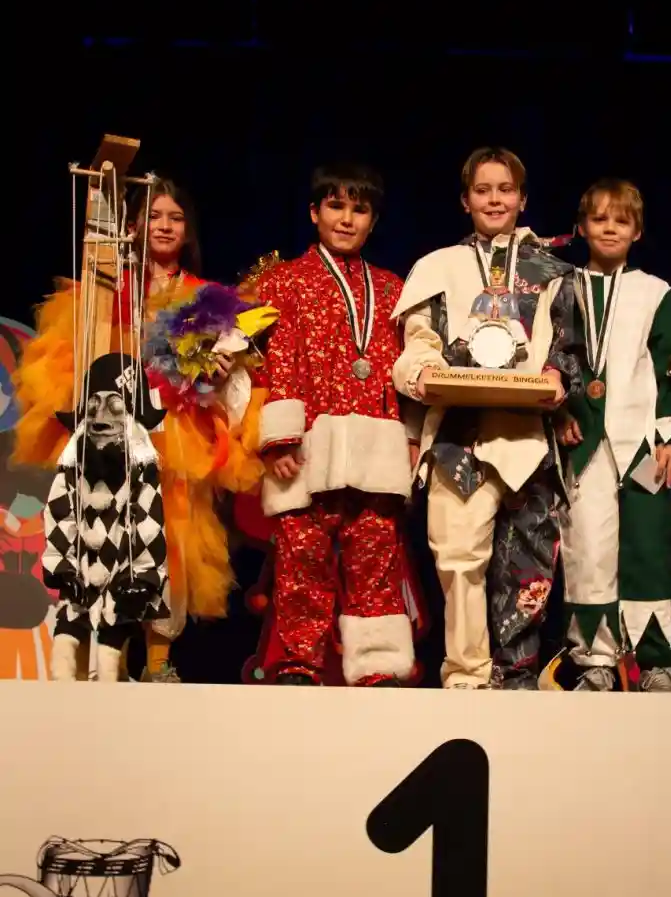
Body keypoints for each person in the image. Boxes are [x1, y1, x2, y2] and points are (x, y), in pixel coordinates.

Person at [13, 177, 264, 681]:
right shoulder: (106, 290)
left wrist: (215, 372)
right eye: (154, 216)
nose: (165, 226)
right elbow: (69, 358)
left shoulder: (205, 297)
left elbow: (230, 376)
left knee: (172, 536)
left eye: (175, 217)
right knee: (106, 533)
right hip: (114, 430)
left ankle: (158, 661)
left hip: (176, 433)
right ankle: (106, 659)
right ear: (132, 225)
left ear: (188, 229)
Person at [391, 146, 581, 689]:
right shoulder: (437, 267)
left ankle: (517, 674)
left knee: (528, 566)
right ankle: (466, 674)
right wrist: (421, 374)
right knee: (457, 558)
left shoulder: (552, 270)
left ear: (522, 198)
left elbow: (569, 344)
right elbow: (418, 342)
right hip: (459, 435)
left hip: (528, 437)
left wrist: (557, 377)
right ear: (465, 200)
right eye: (482, 190)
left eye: (505, 189)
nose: (494, 200)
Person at [254, 162, 418, 687]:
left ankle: (378, 663)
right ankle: (298, 662)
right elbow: (278, 360)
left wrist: (411, 436)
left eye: (359, 209)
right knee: (302, 554)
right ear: (314, 212)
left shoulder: (392, 289)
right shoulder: (285, 281)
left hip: (377, 440)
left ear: (374, 220)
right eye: (336, 206)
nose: (347, 219)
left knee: (376, 553)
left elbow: (409, 368)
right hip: (308, 442)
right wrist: (280, 438)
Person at [550, 178, 671, 691]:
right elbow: (549, 358)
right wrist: (559, 413)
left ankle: (656, 662)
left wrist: (670, 436)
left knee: (650, 542)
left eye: (621, 220)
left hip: (644, 445)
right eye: (599, 218)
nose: (610, 228)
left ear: (638, 231)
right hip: (582, 441)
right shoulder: (559, 286)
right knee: (588, 544)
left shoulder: (656, 292)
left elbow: (670, 368)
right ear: (581, 226)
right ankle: (595, 661)